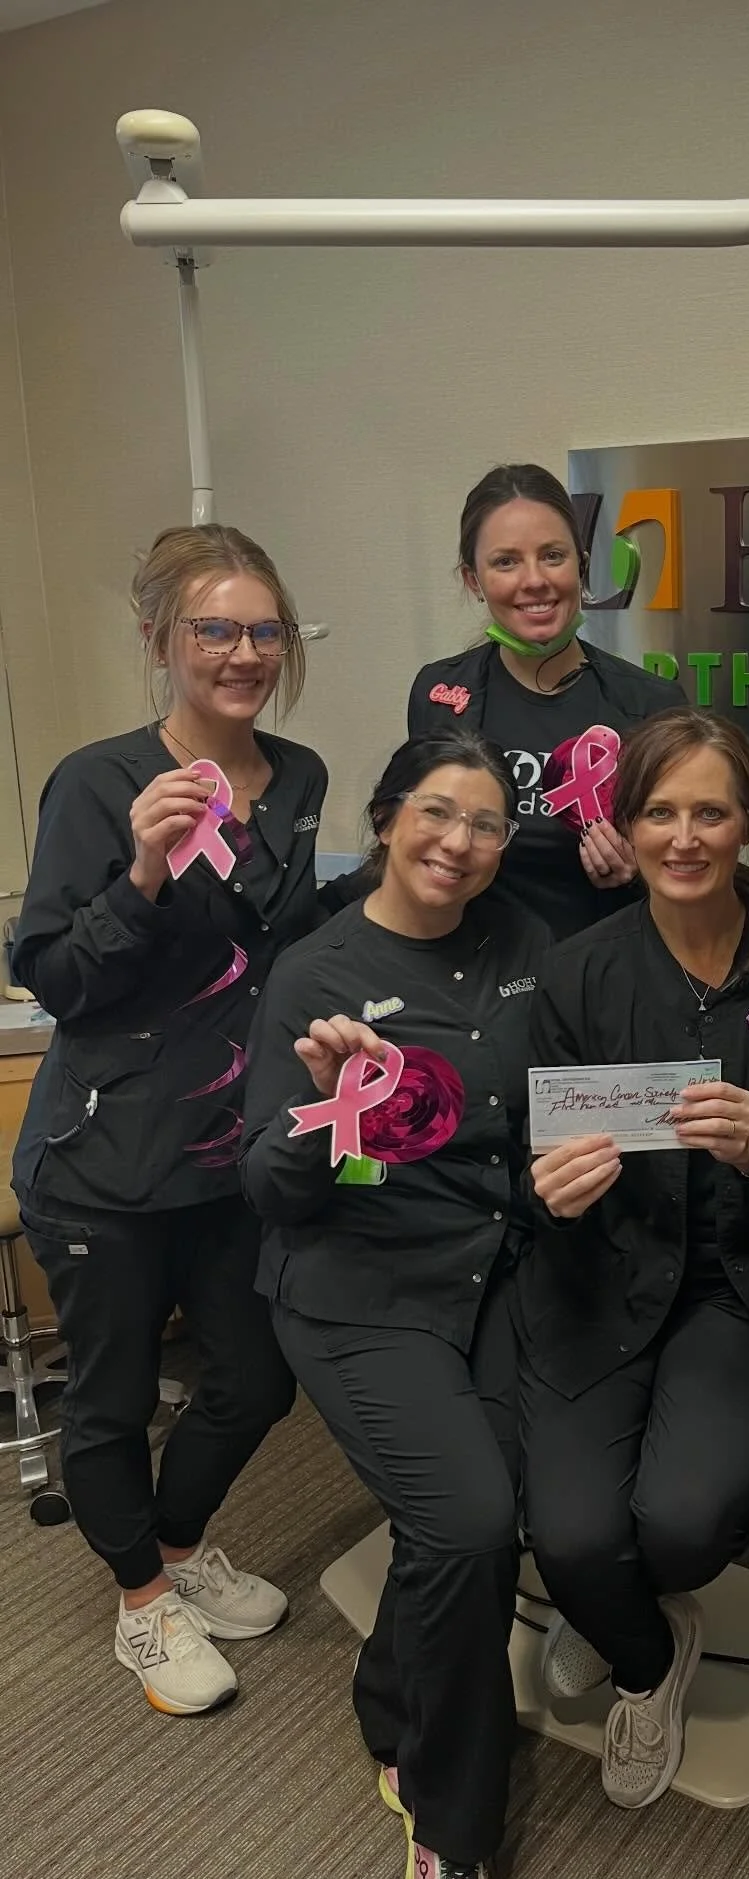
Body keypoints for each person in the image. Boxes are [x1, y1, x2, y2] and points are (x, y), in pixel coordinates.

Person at [519, 708, 749, 1809]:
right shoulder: (577, 972)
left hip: (740, 1288)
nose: (682, 837)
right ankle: (645, 1654)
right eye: (659, 812)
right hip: (602, 1273)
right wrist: (551, 1190)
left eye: (709, 811)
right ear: (625, 825)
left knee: (679, 1529)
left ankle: (630, 1604)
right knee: (569, 1539)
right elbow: (529, 1157)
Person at [11, 526, 325, 1714]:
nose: (244, 652)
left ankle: (178, 1549)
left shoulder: (298, 778)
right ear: (161, 641)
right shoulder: (100, 782)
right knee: (114, 1397)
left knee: (255, 1378)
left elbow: (283, 937)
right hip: (106, 1159)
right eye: (216, 629)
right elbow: (56, 979)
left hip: (234, 1151)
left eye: (264, 630)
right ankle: (140, 1602)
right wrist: (141, 872)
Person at [241, 730, 547, 1879]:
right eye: (436, 813)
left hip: (494, 1274)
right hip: (358, 1287)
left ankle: (390, 1700)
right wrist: (329, 1113)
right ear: (384, 819)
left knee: (474, 1518)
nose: (458, 843)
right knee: (470, 1524)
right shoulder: (315, 973)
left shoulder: (522, 942)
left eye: (485, 825)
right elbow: (269, 1189)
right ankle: (451, 1824)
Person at [406, 462, 687, 938]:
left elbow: (691, 867)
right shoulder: (439, 694)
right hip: (467, 966)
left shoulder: (652, 705)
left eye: (552, 555)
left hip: (600, 963)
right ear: (473, 580)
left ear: (581, 565)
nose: (534, 580)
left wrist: (638, 876)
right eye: (506, 562)